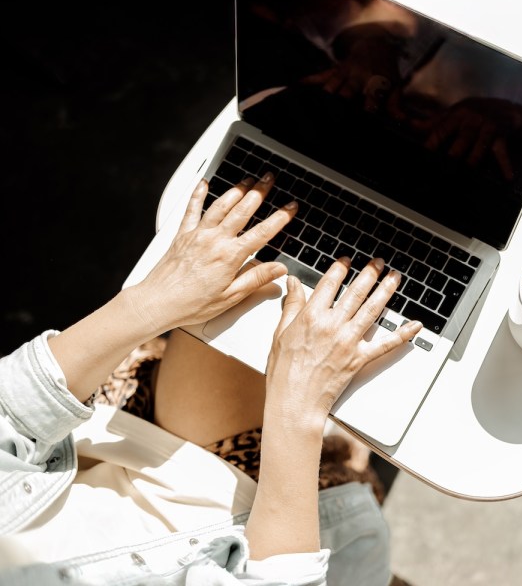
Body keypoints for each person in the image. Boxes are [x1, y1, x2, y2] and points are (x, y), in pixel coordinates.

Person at [0, 173, 422, 585]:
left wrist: (151, 303)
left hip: (121, 450)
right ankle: (343, 455)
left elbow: (8, 413)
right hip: (232, 517)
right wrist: (296, 409)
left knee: (261, 275)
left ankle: (343, 453)